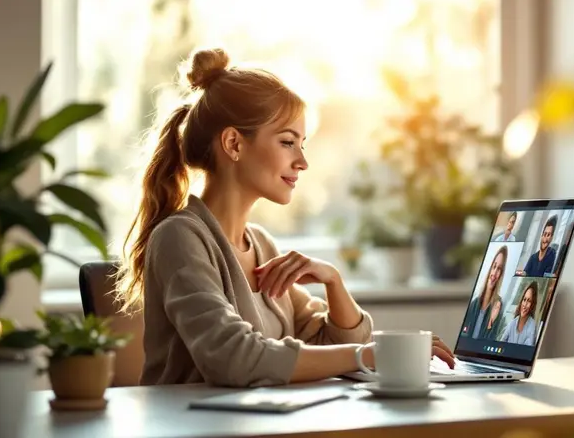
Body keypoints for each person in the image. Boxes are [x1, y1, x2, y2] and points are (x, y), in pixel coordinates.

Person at [112, 48, 455, 388]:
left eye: (302, 144)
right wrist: (374, 354)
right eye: (288, 142)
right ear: (233, 143)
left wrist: (333, 281)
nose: (302, 162)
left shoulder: (261, 244)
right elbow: (233, 358)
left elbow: (331, 347)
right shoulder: (179, 237)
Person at [463, 246, 508, 338]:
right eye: (494, 266)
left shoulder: (498, 307)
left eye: (499, 269)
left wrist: (491, 322)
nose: (494, 273)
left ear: (501, 274)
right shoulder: (474, 303)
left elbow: (492, 340)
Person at [500, 281, 538, 346]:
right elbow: (501, 344)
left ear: (532, 305)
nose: (525, 304)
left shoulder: (532, 326)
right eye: (524, 299)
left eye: (529, 301)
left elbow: (526, 351)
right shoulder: (512, 323)